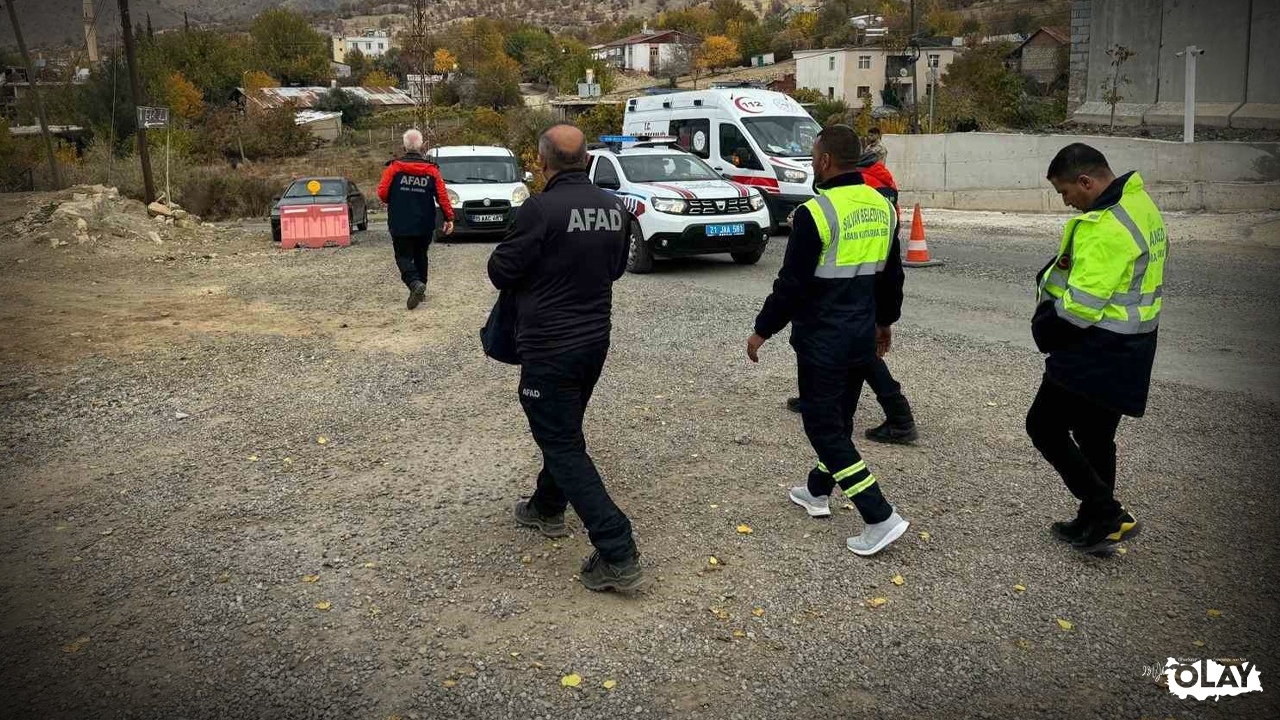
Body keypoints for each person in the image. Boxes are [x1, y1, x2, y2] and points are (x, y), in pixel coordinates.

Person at [487, 124, 641, 592]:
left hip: (550, 346)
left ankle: (617, 548)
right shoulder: (616, 208)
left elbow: (500, 270)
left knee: (560, 442)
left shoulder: (539, 208)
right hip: (594, 341)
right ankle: (546, 507)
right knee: (565, 429)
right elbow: (615, 269)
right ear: (589, 161)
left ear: (542, 162)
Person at [748, 125, 910, 557]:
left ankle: (878, 516)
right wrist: (885, 323)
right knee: (838, 421)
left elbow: (792, 285)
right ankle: (817, 491)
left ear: (823, 162)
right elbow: (891, 275)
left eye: (813, 157)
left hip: (822, 340)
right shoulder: (883, 206)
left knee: (823, 428)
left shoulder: (814, 213)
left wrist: (762, 329)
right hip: (860, 334)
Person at [1028, 143, 1167, 555]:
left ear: (1086, 181)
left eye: (1065, 192)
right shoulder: (1139, 204)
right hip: (1133, 345)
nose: (1067, 202)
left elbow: (1081, 308)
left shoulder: (1107, 227)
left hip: (1096, 347)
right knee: (1095, 434)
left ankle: (1106, 511)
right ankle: (1094, 521)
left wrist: (1045, 327)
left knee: (1044, 426)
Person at [786, 147, 918, 444]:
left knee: (859, 350)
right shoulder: (874, 179)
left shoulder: (859, 183)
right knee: (857, 347)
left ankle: (899, 414)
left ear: (828, 159)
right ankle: (892, 413)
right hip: (865, 275)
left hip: (851, 278)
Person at [377, 129, 454, 310]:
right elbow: (442, 195)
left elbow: (382, 193)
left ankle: (414, 284)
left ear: (404, 146)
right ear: (421, 146)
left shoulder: (394, 168)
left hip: (400, 221)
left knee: (402, 255)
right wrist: (449, 217)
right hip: (424, 222)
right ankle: (422, 288)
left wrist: (394, 199)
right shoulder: (431, 170)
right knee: (421, 254)